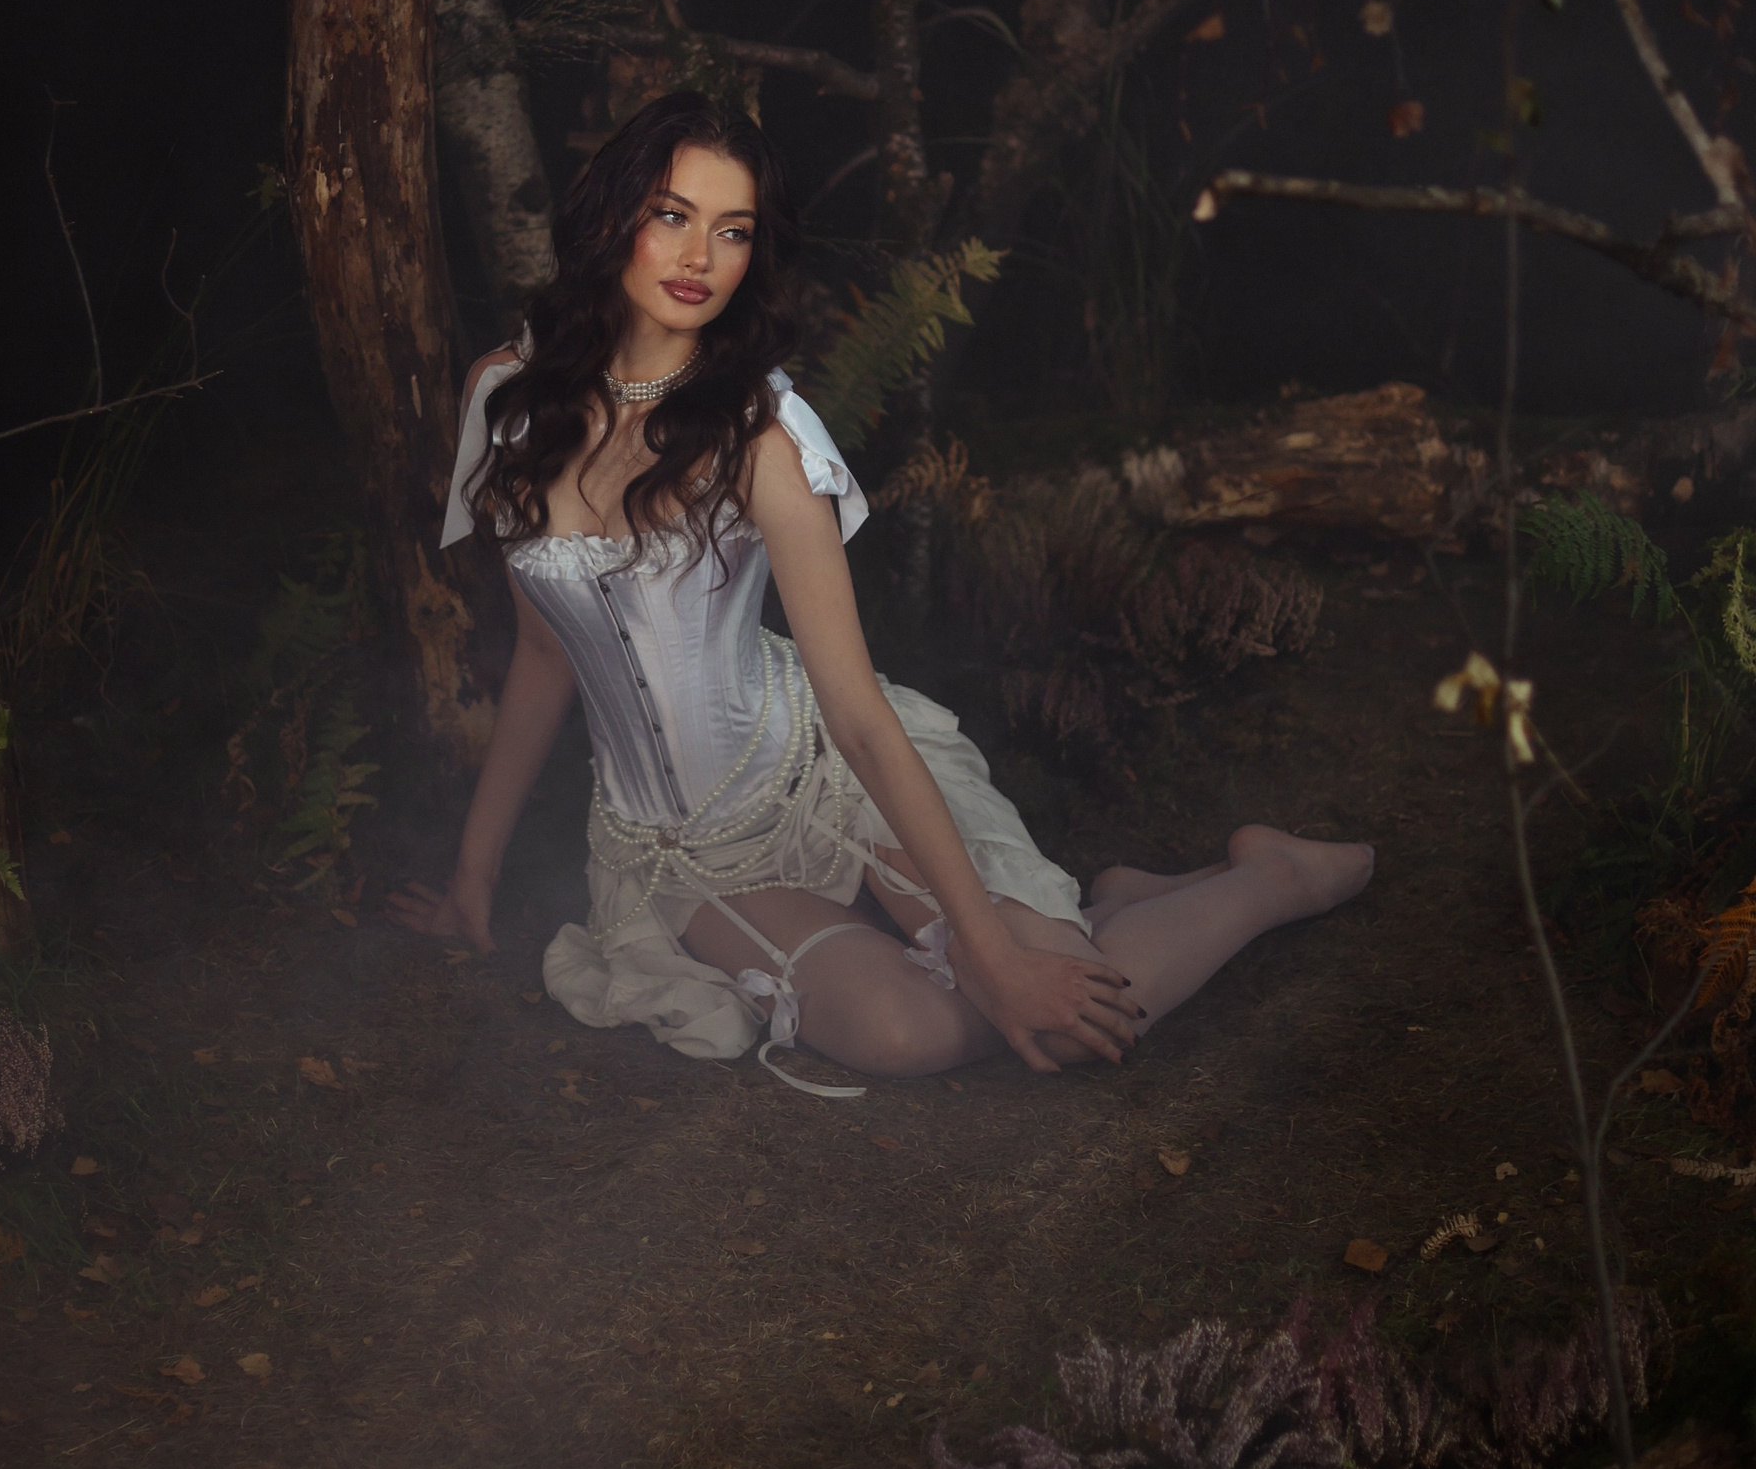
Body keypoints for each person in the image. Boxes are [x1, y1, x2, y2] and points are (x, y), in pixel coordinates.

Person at [390, 90, 1371, 1092]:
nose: (699, 257)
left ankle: (1270, 876)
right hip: (675, 853)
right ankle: (1110, 906)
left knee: (1069, 1019)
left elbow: (858, 718)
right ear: (612, 217)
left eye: (733, 231)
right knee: (906, 1035)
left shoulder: (760, 437)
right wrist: (474, 876)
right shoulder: (506, 398)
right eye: (672, 215)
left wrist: (993, 959)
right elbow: (545, 652)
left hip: (821, 775)